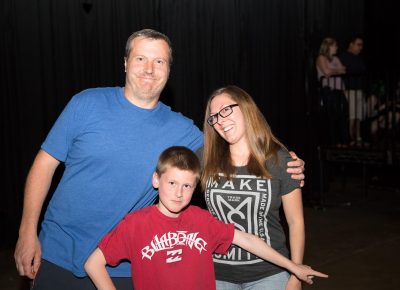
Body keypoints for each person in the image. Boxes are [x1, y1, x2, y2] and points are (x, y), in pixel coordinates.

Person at [14, 29, 306, 290]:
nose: (149, 69)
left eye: (160, 62)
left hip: (126, 265)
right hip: (59, 253)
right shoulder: (86, 103)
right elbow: (44, 165)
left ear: (169, 70)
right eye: (141, 59)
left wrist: (283, 158)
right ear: (126, 63)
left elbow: (234, 140)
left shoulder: (183, 132)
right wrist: (27, 231)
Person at [84, 146, 328, 290]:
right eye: (172, 183)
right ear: (156, 180)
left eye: (187, 186)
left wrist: (292, 267)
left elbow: (248, 241)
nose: (179, 193)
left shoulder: (201, 220)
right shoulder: (135, 223)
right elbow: (93, 263)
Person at [200, 85, 309, 290]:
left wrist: (296, 273)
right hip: (217, 274)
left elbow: (296, 222)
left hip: (270, 273)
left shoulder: (280, 160)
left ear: (246, 107)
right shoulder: (206, 158)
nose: (220, 121)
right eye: (214, 117)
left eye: (225, 110)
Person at [316, 37, 349, 147]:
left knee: (343, 115)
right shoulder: (321, 58)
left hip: (339, 90)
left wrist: (334, 71)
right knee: (332, 116)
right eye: (334, 45)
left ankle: (343, 141)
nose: (336, 48)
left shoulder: (335, 59)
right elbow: (326, 72)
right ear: (328, 46)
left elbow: (344, 70)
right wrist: (337, 70)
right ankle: (333, 142)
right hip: (328, 91)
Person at [339, 35, 367, 146]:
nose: (361, 47)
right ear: (351, 44)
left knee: (359, 115)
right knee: (352, 115)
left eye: (362, 45)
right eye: (358, 44)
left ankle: (358, 137)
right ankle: (350, 138)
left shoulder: (360, 58)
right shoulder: (344, 56)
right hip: (350, 90)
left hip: (359, 90)